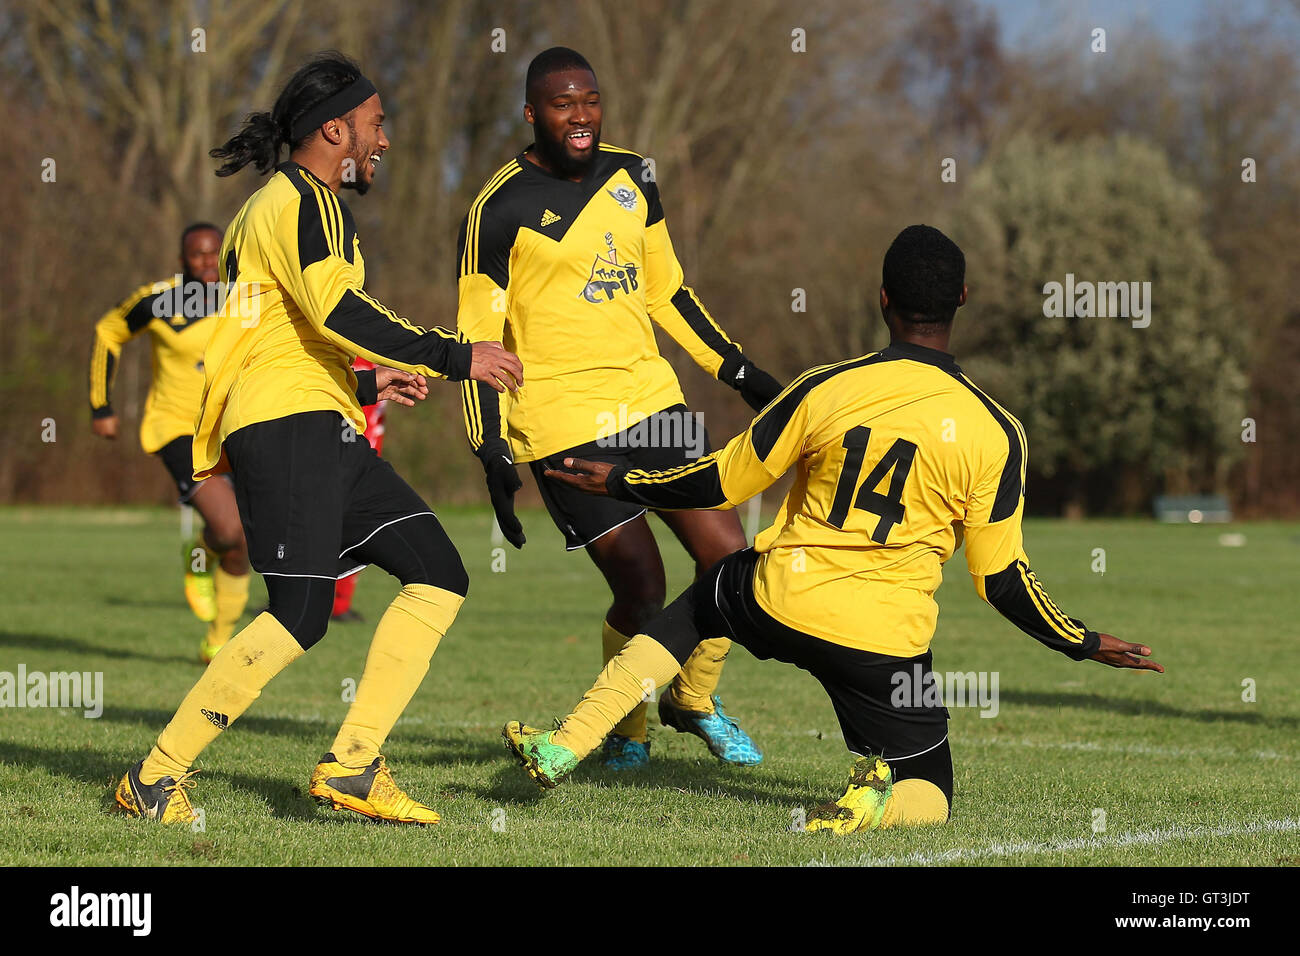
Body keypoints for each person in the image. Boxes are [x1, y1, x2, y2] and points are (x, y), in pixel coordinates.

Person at [504, 224, 1163, 832]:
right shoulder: (996, 432)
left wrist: (620, 481)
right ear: (962, 298)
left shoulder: (826, 387)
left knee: (700, 606)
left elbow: (720, 482)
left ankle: (568, 743)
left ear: (883, 298)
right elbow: (1001, 581)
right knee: (931, 792)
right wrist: (1084, 641)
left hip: (778, 596)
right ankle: (873, 807)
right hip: (882, 643)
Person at [113, 51, 523, 826]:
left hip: (309, 419)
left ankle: (356, 765)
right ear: (334, 130)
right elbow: (337, 312)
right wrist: (458, 354)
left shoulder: (272, 207)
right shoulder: (305, 199)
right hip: (288, 425)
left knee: (437, 571)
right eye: (375, 125)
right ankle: (154, 778)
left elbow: (276, 334)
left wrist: (365, 384)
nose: (385, 141)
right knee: (299, 615)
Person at [457, 47, 783, 769]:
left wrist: (739, 370)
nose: (581, 116)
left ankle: (692, 698)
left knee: (731, 558)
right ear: (531, 114)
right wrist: (492, 452)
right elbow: (477, 343)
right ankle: (627, 727)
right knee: (642, 587)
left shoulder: (636, 175)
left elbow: (668, 293)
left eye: (591, 100)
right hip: (563, 421)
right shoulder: (496, 210)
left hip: (653, 399)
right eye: (564, 104)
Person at [89, 223, 251, 663]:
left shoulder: (248, 298)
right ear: (182, 261)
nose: (206, 262)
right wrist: (101, 406)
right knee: (230, 527)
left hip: (234, 428)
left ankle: (218, 641)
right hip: (176, 429)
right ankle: (201, 552)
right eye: (196, 255)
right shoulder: (161, 298)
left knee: (245, 541)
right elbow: (109, 331)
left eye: (213, 253)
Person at [330, 356, 388, 622]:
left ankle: (340, 605)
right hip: (336, 456)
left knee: (357, 530)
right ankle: (294, 595)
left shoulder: (385, 349)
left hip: (368, 456)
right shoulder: (343, 349)